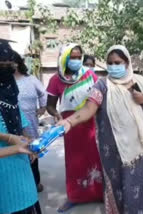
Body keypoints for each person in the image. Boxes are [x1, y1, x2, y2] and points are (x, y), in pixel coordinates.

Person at [57, 45, 143, 214]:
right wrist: (69, 121)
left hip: (141, 149)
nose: (113, 66)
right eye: (110, 63)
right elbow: (88, 109)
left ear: (127, 63)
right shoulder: (102, 85)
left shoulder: (140, 82)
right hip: (114, 151)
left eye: (117, 62)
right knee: (120, 186)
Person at [46, 43, 103, 212]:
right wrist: (56, 114)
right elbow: (50, 105)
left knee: (95, 158)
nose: (77, 60)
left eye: (79, 57)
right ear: (64, 58)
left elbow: (101, 97)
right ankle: (74, 196)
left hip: (91, 122)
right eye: (73, 57)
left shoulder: (89, 75)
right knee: (74, 161)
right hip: (70, 125)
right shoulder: (56, 80)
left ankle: (99, 192)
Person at [0, 41, 42, 213]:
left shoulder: (10, 95)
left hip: (22, 173)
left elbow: (21, 124)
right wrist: (15, 146)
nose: (7, 71)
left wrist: (31, 143)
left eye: (10, 66)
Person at [13, 51, 47, 193]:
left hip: (30, 121)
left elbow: (43, 94)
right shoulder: (5, 81)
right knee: (16, 151)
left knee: (32, 150)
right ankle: (21, 184)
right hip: (12, 123)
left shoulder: (31, 79)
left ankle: (36, 182)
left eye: (13, 61)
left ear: (19, 63)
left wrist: (42, 108)